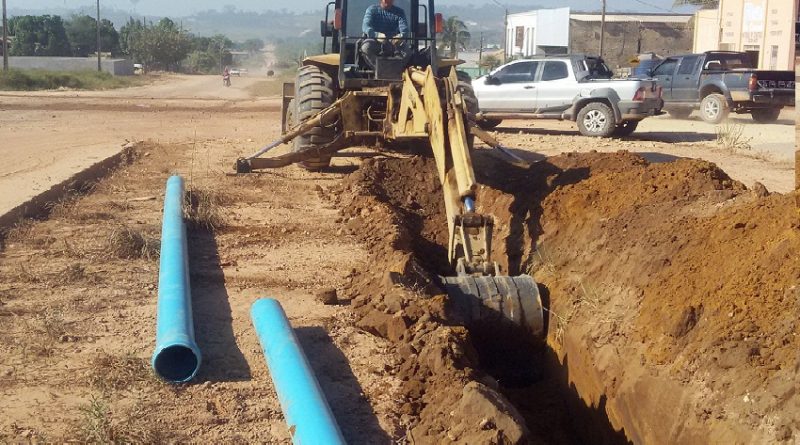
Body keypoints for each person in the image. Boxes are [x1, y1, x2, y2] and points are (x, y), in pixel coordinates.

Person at [361, 0, 409, 68]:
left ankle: (395, 69)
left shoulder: (400, 12)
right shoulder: (372, 10)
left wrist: (401, 36)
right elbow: (365, 26)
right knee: (365, 48)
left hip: (393, 43)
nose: (387, 1)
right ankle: (380, 68)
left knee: (407, 51)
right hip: (375, 41)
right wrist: (376, 35)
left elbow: (405, 29)